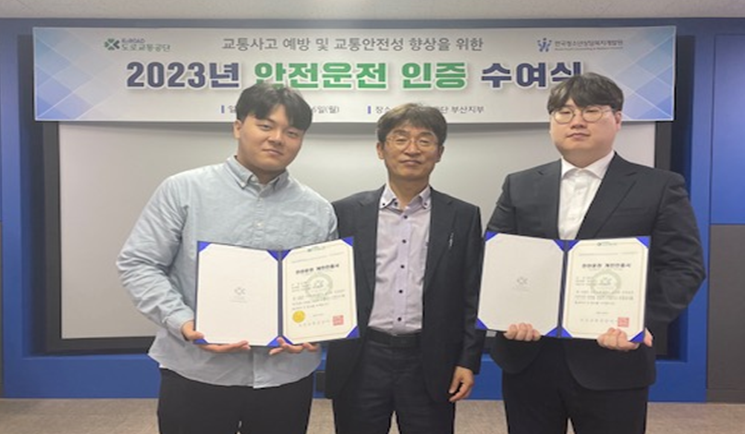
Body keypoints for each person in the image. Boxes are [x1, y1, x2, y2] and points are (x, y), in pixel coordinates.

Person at [487, 72, 706, 434]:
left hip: (613, 359)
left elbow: (683, 267)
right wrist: (505, 313)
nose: (576, 121)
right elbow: (498, 259)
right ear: (551, 121)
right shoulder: (520, 184)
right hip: (529, 356)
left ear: (617, 119)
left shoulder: (659, 186)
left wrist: (638, 321)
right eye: (564, 112)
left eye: (591, 111)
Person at [117, 82, 336, 434]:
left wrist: (315, 329)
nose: (277, 139)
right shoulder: (183, 190)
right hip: (197, 370)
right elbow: (139, 264)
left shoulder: (317, 209)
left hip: (284, 377)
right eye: (265, 125)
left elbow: (319, 288)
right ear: (238, 126)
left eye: (292, 132)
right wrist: (184, 322)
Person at [324, 103, 484, 434]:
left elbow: (473, 293)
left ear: (439, 152)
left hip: (430, 358)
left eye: (425, 140)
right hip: (362, 357)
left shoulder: (463, 216)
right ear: (380, 149)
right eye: (400, 138)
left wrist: (468, 360)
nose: (412, 149)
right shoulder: (346, 212)